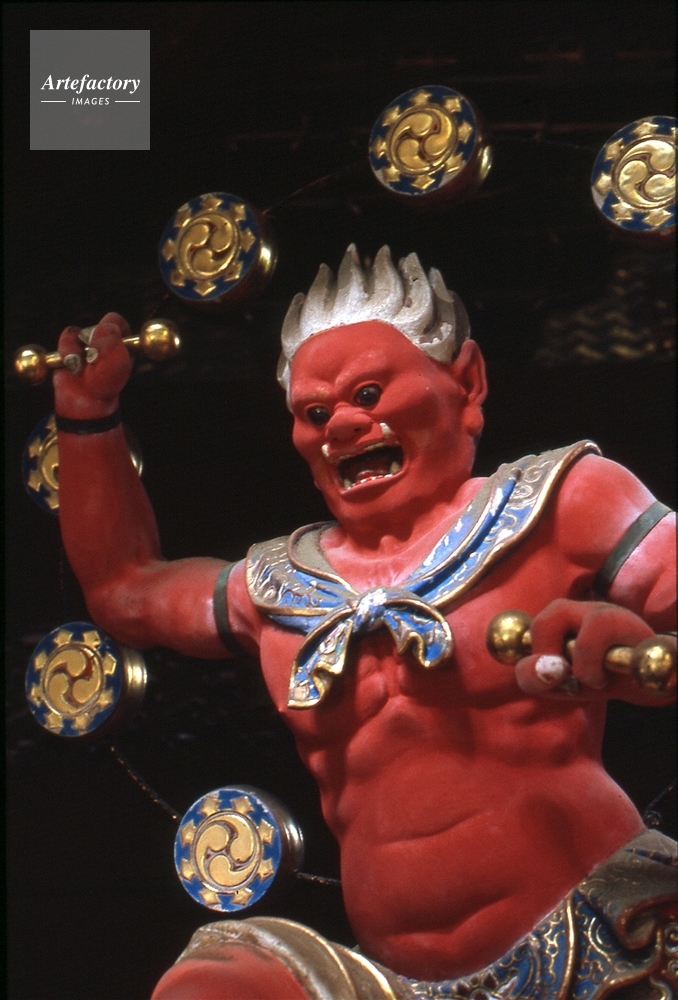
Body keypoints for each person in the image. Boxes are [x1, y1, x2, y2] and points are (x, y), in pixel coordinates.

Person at [53, 246, 676, 1000]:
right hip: (397, 983)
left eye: (370, 393)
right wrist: (86, 417)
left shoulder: (563, 505)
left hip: (603, 939)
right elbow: (124, 590)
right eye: (315, 414)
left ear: (466, 383)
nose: (344, 425)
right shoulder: (274, 587)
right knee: (211, 987)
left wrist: (645, 658)